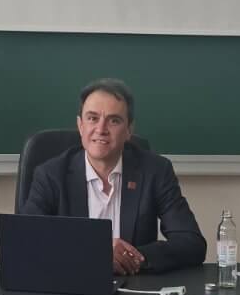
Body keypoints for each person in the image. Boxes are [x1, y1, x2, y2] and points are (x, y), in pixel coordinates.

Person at [22, 79, 205, 276]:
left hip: (134, 287)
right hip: (72, 283)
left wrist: (130, 257)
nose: (101, 129)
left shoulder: (155, 171)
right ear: (80, 125)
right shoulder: (51, 175)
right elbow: (26, 241)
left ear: (129, 130)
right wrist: (96, 252)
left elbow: (191, 244)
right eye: (92, 118)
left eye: (114, 120)